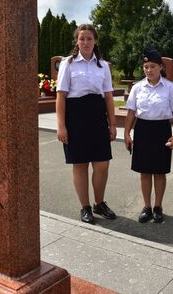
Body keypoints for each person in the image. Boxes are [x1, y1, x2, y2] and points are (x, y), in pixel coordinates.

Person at [56, 24, 117, 225]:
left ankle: (100, 203)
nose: (85, 42)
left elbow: (108, 97)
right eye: (82, 39)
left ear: (95, 41)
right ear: (77, 41)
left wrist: (112, 124)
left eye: (89, 38)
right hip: (75, 116)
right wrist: (61, 125)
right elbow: (61, 96)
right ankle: (86, 207)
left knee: (102, 164)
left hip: (97, 116)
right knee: (80, 164)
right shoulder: (68, 63)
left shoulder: (103, 66)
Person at [124, 47, 173, 223]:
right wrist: (127, 133)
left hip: (161, 130)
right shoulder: (137, 88)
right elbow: (131, 112)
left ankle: (158, 206)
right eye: (146, 67)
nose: (149, 70)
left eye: (153, 66)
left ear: (160, 67)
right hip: (142, 130)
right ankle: (147, 206)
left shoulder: (170, 88)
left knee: (159, 172)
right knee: (144, 171)